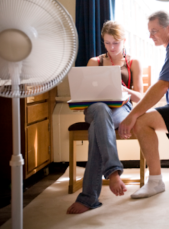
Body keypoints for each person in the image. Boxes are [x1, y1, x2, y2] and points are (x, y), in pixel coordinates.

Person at [67, 21, 144, 214]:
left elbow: (141, 98)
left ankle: (89, 198)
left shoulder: (133, 63)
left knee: (97, 130)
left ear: (124, 41)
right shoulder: (95, 62)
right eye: (107, 43)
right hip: (95, 108)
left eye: (116, 43)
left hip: (121, 109)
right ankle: (113, 171)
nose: (111, 48)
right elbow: (85, 93)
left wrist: (123, 89)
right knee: (101, 109)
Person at [119, 10, 169, 199]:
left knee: (142, 121)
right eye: (149, 31)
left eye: (154, 31)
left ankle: (156, 181)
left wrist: (134, 114)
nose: (150, 36)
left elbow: (162, 85)